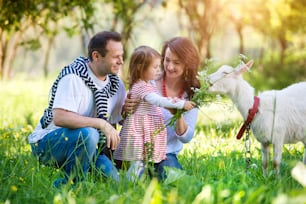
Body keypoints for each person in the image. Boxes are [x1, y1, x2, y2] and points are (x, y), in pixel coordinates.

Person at [28, 31, 126, 187]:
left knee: (114, 183)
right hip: (48, 144)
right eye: (115, 57)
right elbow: (60, 117)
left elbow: (119, 120)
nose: (121, 61)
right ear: (96, 56)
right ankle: (70, 186)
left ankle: (85, 173)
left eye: (122, 55)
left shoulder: (115, 84)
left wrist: (135, 108)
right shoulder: (73, 77)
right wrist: (101, 124)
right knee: (89, 133)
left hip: (90, 148)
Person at [123, 37, 201, 180]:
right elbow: (127, 117)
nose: (169, 66)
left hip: (166, 152)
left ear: (188, 64)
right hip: (139, 150)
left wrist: (178, 115)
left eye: (176, 63)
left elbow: (187, 137)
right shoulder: (148, 80)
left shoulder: (192, 93)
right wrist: (126, 109)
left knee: (175, 181)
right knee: (133, 180)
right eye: (167, 60)